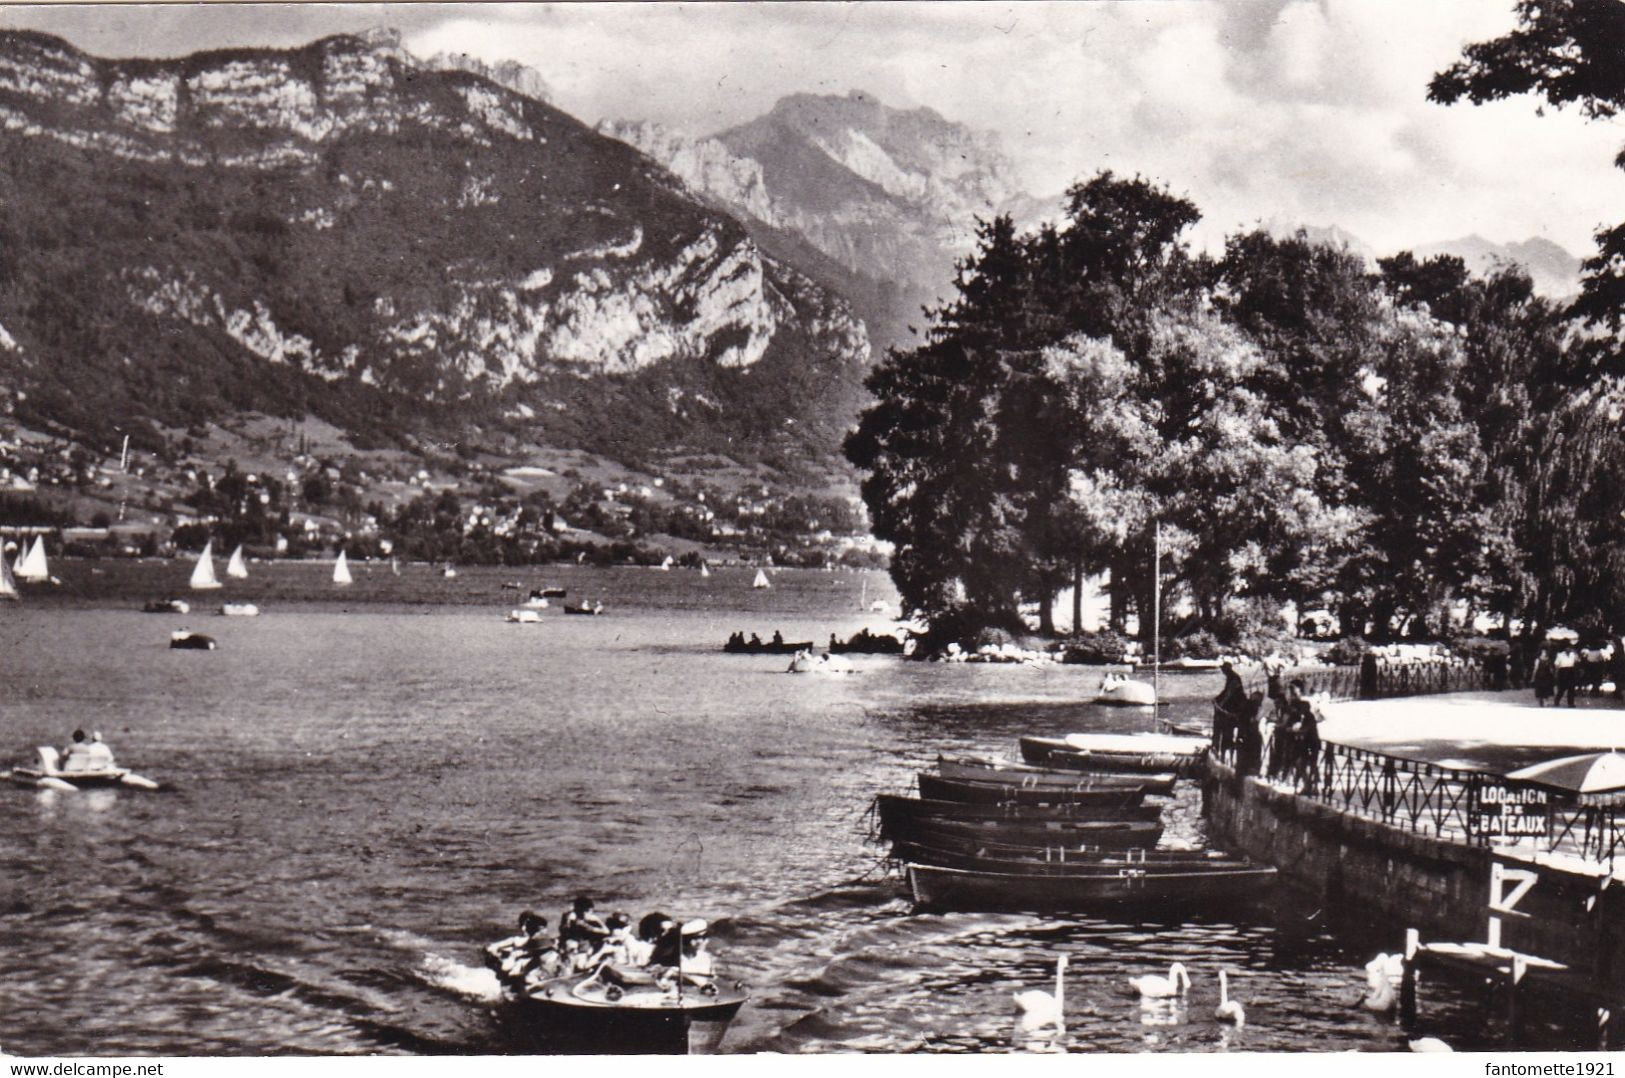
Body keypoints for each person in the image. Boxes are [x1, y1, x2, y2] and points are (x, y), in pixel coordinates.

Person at [1212, 660, 1246, 757]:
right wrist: (1217, 698)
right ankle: (1218, 749)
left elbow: (1229, 694)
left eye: (1224, 669)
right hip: (1230, 706)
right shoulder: (1230, 677)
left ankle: (1224, 752)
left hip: (1234, 708)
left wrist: (1220, 705)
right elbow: (1225, 692)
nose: (1223, 671)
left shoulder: (1234, 678)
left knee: (1226, 732)